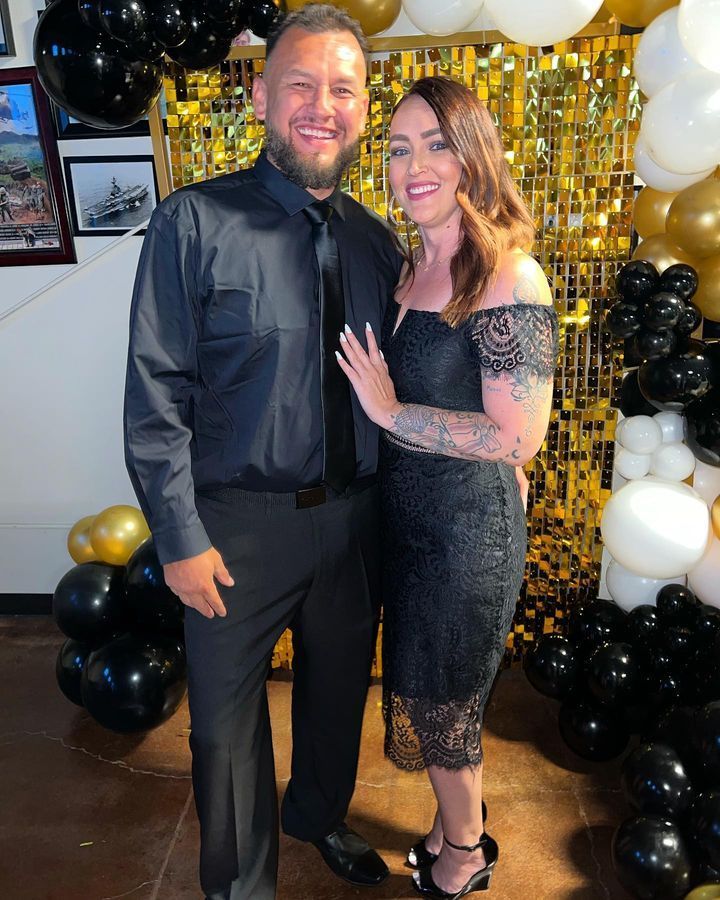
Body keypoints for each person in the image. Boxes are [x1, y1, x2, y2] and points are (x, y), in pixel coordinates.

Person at [123, 6, 402, 899]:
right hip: (233, 530)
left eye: (343, 90)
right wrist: (176, 537)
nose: (323, 106)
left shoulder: (377, 240)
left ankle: (318, 815)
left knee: (336, 700)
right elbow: (155, 390)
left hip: (355, 520)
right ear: (260, 98)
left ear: (363, 110)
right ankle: (240, 887)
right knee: (222, 731)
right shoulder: (192, 222)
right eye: (301, 85)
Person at [337, 76, 558, 898]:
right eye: (398, 148)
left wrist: (391, 412)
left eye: (435, 144)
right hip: (411, 526)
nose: (414, 164)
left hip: (467, 537)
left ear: (473, 157)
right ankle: (449, 824)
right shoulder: (409, 269)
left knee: (443, 706)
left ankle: (465, 853)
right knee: (427, 690)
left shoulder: (509, 275)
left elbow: (517, 435)